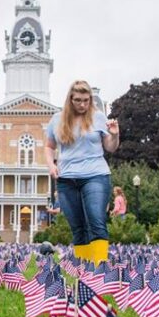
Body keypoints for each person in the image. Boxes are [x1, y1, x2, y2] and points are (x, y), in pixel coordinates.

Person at [44, 80, 120, 264]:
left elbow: (110, 147)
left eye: (86, 100)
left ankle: (100, 267)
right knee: (77, 226)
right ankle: (84, 267)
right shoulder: (57, 119)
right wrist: (51, 165)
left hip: (95, 174)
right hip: (67, 178)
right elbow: (49, 146)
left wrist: (115, 134)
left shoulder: (98, 117)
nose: (83, 104)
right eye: (78, 100)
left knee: (96, 219)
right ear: (70, 99)